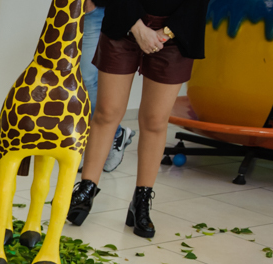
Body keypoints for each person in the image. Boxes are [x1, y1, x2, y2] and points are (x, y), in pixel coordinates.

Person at [68, 0, 212, 238]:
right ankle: (86, 190)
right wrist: (137, 27)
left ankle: (141, 201)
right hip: (124, 18)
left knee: (155, 121)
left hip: (177, 33)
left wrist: (164, 33)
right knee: (107, 113)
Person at [81, 0, 134, 173]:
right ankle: (116, 134)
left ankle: (113, 135)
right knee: (86, 78)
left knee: (94, 78)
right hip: (93, 11)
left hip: (125, 11)